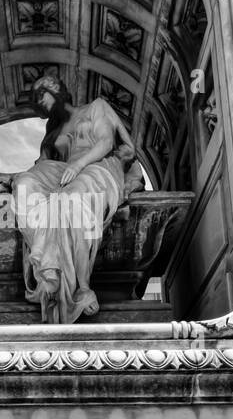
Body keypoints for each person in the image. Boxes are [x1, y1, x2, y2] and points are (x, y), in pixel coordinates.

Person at [12, 74, 142, 323]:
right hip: (64, 172)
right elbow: (39, 168)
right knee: (24, 184)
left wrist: (79, 163)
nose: (39, 103)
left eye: (40, 94)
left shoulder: (96, 107)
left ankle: (79, 286)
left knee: (69, 201)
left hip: (98, 166)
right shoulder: (53, 130)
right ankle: (47, 264)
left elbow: (105, 142)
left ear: (55, 88)